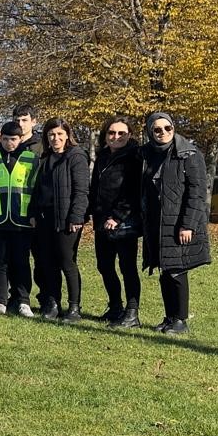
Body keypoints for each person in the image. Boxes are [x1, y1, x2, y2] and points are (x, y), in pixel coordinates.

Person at [140, 111, 211, 335]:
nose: (163, 133)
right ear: (150, 131)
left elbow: (197, 193)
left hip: (179, 222)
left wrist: (188, 224)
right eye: (157, 129)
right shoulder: (147, 154)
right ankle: (170, 317)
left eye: (167, 128)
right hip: (156, 222)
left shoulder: (189, 154)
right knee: (164, 270)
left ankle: (180, 319)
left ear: (174, 128)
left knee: (177, 271)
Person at [31, 119, 90, 322]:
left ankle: (74, 308)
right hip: (45, 218)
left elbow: (81, 190)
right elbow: (37, 190)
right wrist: (33, 214)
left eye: (59, 134)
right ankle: (53, 302)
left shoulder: (76, 156)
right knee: (48, 262)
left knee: (67, 261)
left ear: (67, 135)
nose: (55, 138)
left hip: (67, 220)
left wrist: (76, 216)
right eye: (51, 135)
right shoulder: (45, 158)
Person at [90, 116, 143, 328]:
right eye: (112, 133)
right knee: (104, 266)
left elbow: (133, 190)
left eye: (121, 133)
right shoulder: (103, 156)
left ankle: (132, 313)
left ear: (129, 134)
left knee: (127, 266)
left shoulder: (134, 157)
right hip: (102, 220)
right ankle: (115, 306)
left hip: (124, 222)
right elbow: (95, 187)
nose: (116, 137)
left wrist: (117, 216)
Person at [0, 121, 37, 316]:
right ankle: (0, 300)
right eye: (5, 139)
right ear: (0, 138)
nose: (9, 143)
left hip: (22, 218)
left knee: (21, 260)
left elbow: (35, 189)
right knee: (1, 261)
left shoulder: (32, 159)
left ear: (21, 138)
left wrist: (33, 214)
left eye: (13, 139)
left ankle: (23, 300)